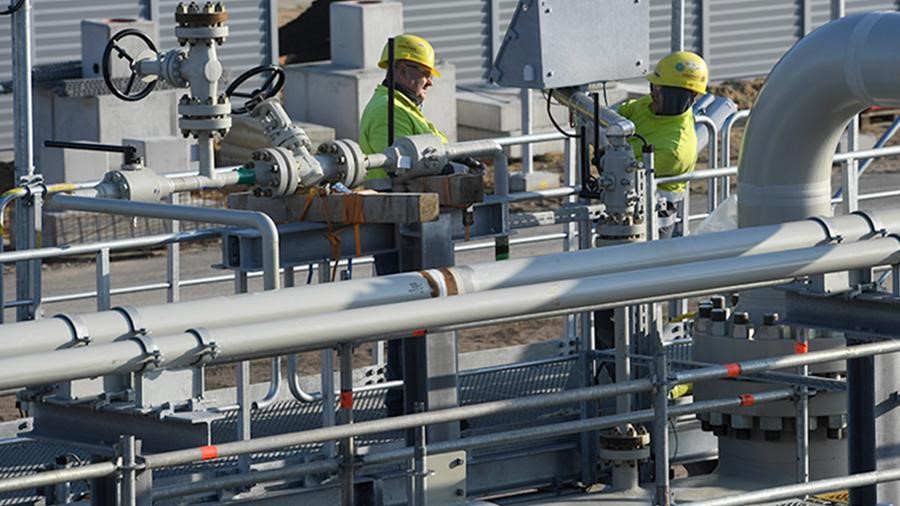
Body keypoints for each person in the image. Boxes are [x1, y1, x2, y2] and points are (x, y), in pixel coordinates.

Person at [617, 50, 708, 238]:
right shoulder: (648, 105)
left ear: (687, 95)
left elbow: (622, 168)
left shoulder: (675, 149)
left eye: (661, 90)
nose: (654, 94)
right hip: (626, 208)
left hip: (654, 221)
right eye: (653, 86)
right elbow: (617, 114)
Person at [359, 34, 448, 189]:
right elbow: (404, 167)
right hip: (395, 200)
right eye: (426, 74)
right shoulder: (388, 110)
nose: (430, 83)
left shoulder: (403, 106)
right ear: (403, 70)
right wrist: (451, 168)